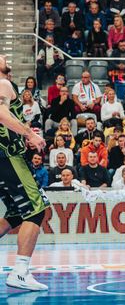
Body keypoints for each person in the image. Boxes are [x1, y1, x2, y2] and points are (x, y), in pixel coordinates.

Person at [0, 55, 49, 290]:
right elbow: (1, 115)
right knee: (36, 209)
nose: (4, 56)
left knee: (15, 213)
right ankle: (20, 272)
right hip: (8, 157)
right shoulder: (2, 83)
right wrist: (30, 134)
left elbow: (7, 118)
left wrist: (23, 133)